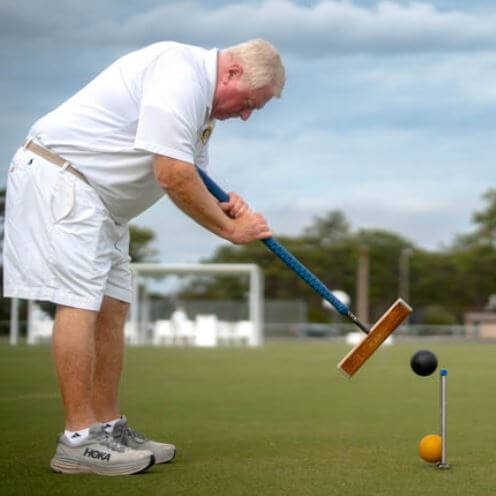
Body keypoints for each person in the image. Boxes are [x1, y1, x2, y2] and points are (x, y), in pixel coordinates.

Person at [3, 39, 285, 476]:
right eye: (249, 102)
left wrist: (224, 206)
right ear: (230, 73)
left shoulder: (202, 113)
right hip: (65, 179)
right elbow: (172, 175)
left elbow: (191, 174)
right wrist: (231, 229)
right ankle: (78, 440)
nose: (246, 115)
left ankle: (107, 427)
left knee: (114, 308)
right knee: (80, 302)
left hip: (104, 207)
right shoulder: (179, 73)